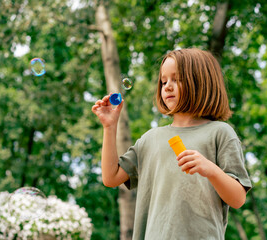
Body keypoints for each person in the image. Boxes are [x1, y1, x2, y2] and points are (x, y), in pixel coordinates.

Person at [91, 48, 252, 239]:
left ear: (202, 82)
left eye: (177, 79)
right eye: (163, 81)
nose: (167, 86)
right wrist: (110, 127)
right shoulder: (150, 139)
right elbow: (111, 177)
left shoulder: (220, 133)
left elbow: (238, 198)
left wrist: (210, 169)